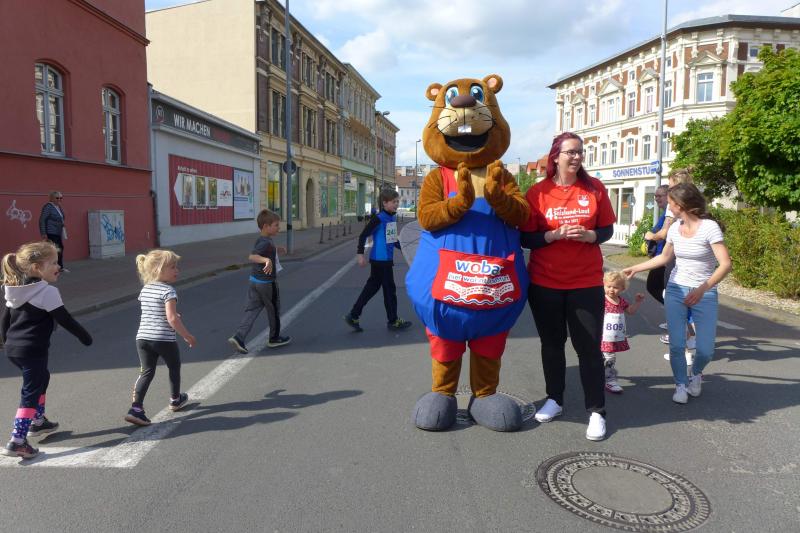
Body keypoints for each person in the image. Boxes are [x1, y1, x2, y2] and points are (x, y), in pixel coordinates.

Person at [521, 132, 616, 441]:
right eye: (570, 152)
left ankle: (596, 411)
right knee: (552, 344)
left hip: (585, 282)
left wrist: (590, 236)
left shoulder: (594, 189)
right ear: (556, 157)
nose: (576, 157)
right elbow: (526, 238)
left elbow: (607, 229)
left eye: (579, 152)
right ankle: (555, 399)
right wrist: (552, 235)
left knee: (588, 348)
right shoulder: (537, 193)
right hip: (544, 282)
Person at [623, 183, 731, 404]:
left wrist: (702, 289)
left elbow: (725, 264)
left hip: (704, 292)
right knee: (677, 345)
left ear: (680, 205)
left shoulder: (709, 227)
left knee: (705, 349)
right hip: (675, 289)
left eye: (670, 202)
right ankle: (681, 384)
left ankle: (696, 374)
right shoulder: (674, 228)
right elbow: (664, 258)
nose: (667, 207)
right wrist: (636, 268)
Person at [1, 241, 92, 459]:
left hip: (14, 349)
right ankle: (17, 440)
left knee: (42, 377)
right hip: (33, 349)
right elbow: (65, 319)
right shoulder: (47, 292)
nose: (58, 266)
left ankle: (38, 421)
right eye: (53, 263)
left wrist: (4, 341)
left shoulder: (15, 289)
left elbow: (5, 318)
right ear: (36, 268)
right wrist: (85, 337)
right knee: (31, 391)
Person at [125, 250, 195, 426]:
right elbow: (172, 318)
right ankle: (175, 399)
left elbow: (153, 312)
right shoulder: (169, 291)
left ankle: (136, 409)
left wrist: (171, 316)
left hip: (142, 338)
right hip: (163, 338)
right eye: (172, 267)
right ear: (158, 270)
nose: (177, 270)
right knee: (174, 366)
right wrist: (187, 335)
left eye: (176, 267)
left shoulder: (145, 289)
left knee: (146, 371)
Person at [344, 188, 412, 332]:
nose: (396, 204)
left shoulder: (391, 218)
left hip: (384, 260)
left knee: (372, 288)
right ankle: (393, 320)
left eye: (397, 202)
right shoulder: (379, 219)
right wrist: (360, 254)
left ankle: (354, 315)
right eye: (393, 202)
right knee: (389, 290)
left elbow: (392, 240)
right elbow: (363, 235)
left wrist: (405, 247)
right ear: (384, 203)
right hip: (381, 260)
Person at [227, 209, 291, 354]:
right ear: (266, 226)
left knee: (253, 310)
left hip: (254, 282)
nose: (278, 228)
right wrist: (266, 260)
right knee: (274, 310)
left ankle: (239, 337)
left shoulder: (263, 240)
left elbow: (262, 250)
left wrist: (276, 250)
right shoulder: (265, 242)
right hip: (267, 283)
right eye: (276, 225)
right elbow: (253, 256)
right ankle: (274, 338)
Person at [645, 170, 696, 349]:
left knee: (673, 295)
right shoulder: (693, 209)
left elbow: (664, 232)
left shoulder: (676, 206)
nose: (667, 194)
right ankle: (685, 335)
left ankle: (683, 333)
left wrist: (651, 236)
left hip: (677, 257)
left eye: (671, 185)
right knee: (677, 295)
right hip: (678, 256)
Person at [600, 271, 645, 394]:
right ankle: (606, 378)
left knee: (610, 357)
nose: (611, 289)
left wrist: (637, 302)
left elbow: (630, 311)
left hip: (613, 336)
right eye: (608, 286)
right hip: (601, 335)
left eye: (615, 287)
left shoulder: (621, 301)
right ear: (603, 285)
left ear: (622, 288)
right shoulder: (601, 300)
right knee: (604, 357)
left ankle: (608, 379)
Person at [38, 191, 68, 272]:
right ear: (51, 198)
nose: (59, 199)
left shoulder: (58, 207)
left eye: (61, 198)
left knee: (59, 249)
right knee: (56, 250)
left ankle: (59, 267)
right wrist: (43, 233)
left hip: (58, 232)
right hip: (51, 232)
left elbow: (60, 218)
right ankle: (55, 268)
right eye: (57, 198)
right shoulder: (48, 207)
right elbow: (42, 220)